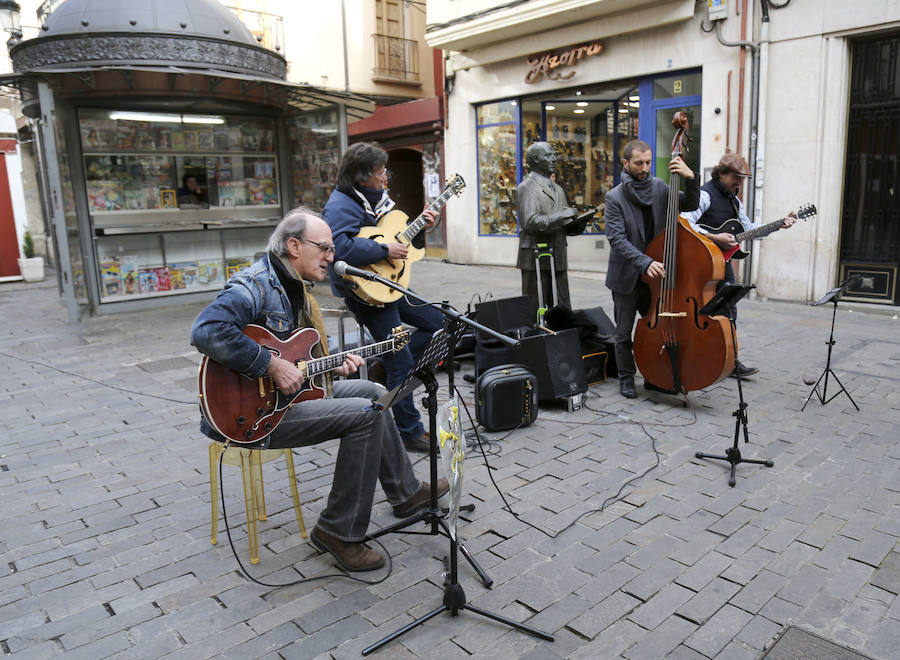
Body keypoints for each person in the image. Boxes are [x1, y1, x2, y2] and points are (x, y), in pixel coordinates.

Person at [191, 209, 448, 572]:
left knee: (374, 392)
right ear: (294, 246)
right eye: (325, 248)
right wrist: (270, 366)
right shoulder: (256, 284)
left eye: (332, 249)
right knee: (365, 416)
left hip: (289, 396)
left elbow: (295, 357)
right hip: (251, 414)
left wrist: (328, 366)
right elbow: (206, 330)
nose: (331, 256)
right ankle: (337, 531)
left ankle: (405, 492)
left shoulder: (295, 286)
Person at [323, 142, 443, 454]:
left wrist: (423, 227)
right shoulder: (341, 205)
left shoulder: (377, 199)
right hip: (366, 293)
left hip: (390, 283)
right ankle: (409, 432)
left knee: (440, 324)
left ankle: (383, 364)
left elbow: (399, 241)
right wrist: (383, 250)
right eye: (379, 172)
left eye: (384, 170)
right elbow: (339, 249)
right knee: (401, 359)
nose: (385, 177)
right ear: (361, 176)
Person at [681, 152, 795, 378]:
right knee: (701, 312)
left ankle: (729, 360)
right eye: (736, 178)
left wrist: (778, 224)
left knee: (729, 310)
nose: (739, 183)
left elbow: (748, 228)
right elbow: (685, 222)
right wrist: (715, 237)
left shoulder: (735, 201)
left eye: (742, 179)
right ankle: (695, 356)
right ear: (721, 174)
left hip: (721, 265)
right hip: (699, 265)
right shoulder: (705, 195)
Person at [604, 139, 700, 398]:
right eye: (639, 163)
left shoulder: (659, 187)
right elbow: (617, 239)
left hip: (656, 279)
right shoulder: (614, 197)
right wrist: (644, 262)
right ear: (626, 163)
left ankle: (653, 377)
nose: (645, 168)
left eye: (648, 162)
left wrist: (691, 178)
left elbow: (690, 204)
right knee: (623, 332)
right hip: (627, 276)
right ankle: (626, 378)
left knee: (656, 330)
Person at [516, 141, 581, 313]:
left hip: (558, 257)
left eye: (554, 155)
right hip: (535, 259)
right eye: (548, 155)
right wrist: (562, 216)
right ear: (535, 159)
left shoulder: (558, 189)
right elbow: (529, 222)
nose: (554, 159)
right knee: (534, 312)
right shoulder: (526, 188)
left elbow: (564, 224)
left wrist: (577, 223)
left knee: (563, 311)